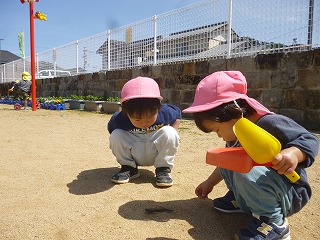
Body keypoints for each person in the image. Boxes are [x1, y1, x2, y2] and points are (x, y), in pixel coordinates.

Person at [182, 71, 319, 239]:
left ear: (234, 112)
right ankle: (241, 200)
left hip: (290, 192)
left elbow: (308, 139)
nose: (218, 135)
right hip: (265, 185)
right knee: (228, 160)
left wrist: (294, 153)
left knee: (245, 172)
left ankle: (274, 223)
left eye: (217, 129)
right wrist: (209, 182)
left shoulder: (268, 123)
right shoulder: (236, 133)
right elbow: (226, 165)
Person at [108, 76, 181, 187]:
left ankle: (163, 169)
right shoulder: (119, 119)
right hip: (135, 152)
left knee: (169, 132)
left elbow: (177, 114)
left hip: (155, 151)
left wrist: (175, 132)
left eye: (150, 117)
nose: (144, 123)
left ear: (158, 108)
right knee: (116, 135)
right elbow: (112, 131)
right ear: (126, 113)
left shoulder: (165, 112)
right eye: (137, 119)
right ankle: (129, 167)